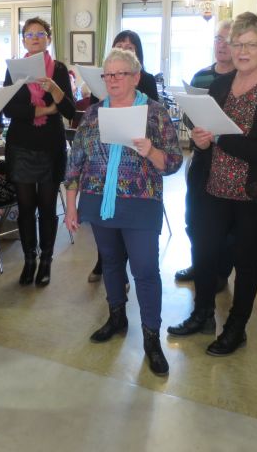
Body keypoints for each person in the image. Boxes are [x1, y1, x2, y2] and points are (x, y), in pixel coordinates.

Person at [168, 12, 257, 356]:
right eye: (236, 43)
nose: (242, 51)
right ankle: (202, 314)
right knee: (204, 254)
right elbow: (205, 133)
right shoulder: (220, 85)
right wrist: (202, 140)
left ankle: (237, 327)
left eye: (250, 44)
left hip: (252, 195)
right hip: (212, 188)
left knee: (245, 262)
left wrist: (220, 138)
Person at [65, 48, 183, 376]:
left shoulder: (154, 113)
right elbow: (75, 162)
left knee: (145, 270)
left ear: (135, 77)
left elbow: (174, 162)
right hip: (98, 201)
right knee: (111, 262)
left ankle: (151, 337)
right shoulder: (93, 114)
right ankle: (117, 318)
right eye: (108, 75)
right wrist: (71, 205)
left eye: (120, 73)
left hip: (140, 203)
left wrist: (151, 150)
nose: (113, 80)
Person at [3, 17, 75, 287]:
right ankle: (29, 259)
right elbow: (9, 109)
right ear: (23, 40)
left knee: (46, 207)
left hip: (50, 148)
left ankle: (46, 260)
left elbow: (69, 110)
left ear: (49, 39)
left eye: (40, 34)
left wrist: (55, 90)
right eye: (29, 34)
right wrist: (45, 109)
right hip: (21, 147)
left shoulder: (59, 69)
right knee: (25, 208)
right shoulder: (14, 70)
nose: (34, 38)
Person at [87, 30, 159, 283]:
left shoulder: (145, 79)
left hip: (135, 159)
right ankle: (107, 264)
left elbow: (152, 121)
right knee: (106, 224)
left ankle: (122, 268)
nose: (125, 49)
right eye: (120, 45)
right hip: (105, 159)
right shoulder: (105, 77)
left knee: (131, 232)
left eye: (130, 47)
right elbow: (91, 123)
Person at [174, 19, 235, 287]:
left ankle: (220, 273)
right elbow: (187, 117)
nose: (222, 45)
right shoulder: (201, 76)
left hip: (230, 160)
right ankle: (199, 265)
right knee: (194, 217)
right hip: (201, 156)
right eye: (218, 39)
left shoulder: (242, 79)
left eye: (228, 40)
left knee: (224, 223)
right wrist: (196, 123)